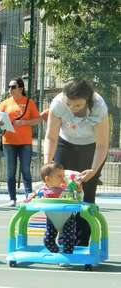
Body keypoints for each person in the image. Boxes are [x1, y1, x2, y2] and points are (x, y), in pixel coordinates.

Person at [44, 79, 109, 246]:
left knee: (86, 195)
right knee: (58, 190)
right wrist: (47, 164)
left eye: (78, 105)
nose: (73, 109)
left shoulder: (99, 107)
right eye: (70, 105)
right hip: (65, 144)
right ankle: (63, 241)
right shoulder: (58, 103)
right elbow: (51, 137)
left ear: (87, 100)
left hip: (91, 147)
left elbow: (102, 145)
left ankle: (81, 244)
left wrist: (94, 170)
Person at [0, 77, 40, 207]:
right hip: (8, 141)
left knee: (25, 170)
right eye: (9, 87)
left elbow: (37, 120)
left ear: (21, 88)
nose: (10, 89)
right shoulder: (4, 103)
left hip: (25, 142)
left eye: (13, 87)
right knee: (10, 171)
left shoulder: (29, 102)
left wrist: (24, 122)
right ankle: (12, 198)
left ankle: (29, 197)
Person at [26, 163, 81, 254]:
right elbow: (31, 197)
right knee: (48, 241)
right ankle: (58, 253)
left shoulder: (67, 189)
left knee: (68, 240)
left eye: (63, 176)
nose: (63, 178)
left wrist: (79, 190)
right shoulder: (42, 190)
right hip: (52, 218)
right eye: (59, 176)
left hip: (67, 218)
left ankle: (67, 256)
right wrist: (30, 197)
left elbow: (79, 199)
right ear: (48, 179)